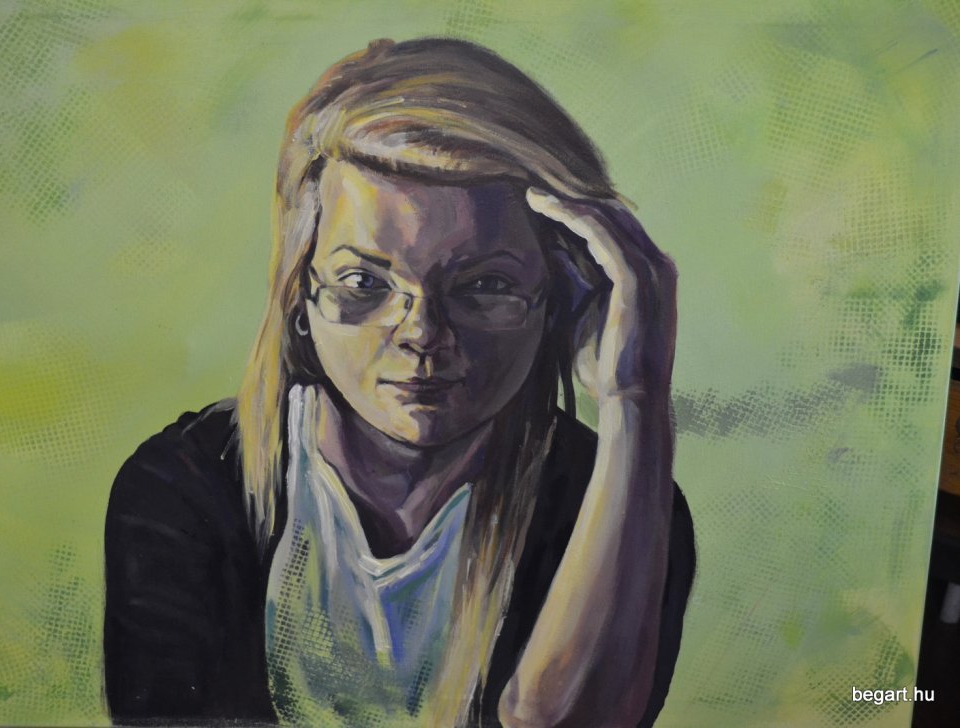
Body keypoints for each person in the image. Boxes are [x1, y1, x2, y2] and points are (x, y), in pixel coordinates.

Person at [103, 37, 695, 728]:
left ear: (562, 299)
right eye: (363, 282)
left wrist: (632, 400)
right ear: (299, 296)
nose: (421, 332)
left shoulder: (614, 500)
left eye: (485, 286)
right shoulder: (189, 486)